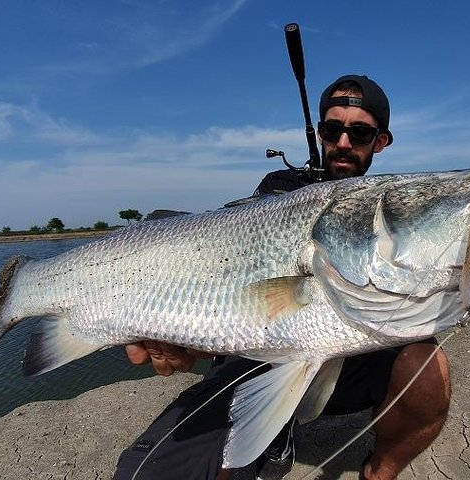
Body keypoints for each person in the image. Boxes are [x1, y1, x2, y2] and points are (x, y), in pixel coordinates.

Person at [114, 75, 452, 480]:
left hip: (354, 360)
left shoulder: (390, 209)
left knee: (428, 364)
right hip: (264, 354)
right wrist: (186, 325)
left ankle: (380, 471)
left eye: (360, 132)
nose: (344, 142)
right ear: (321, 134)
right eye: (333, 129)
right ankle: (268, 431)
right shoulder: (279, 190)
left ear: (380, 141)